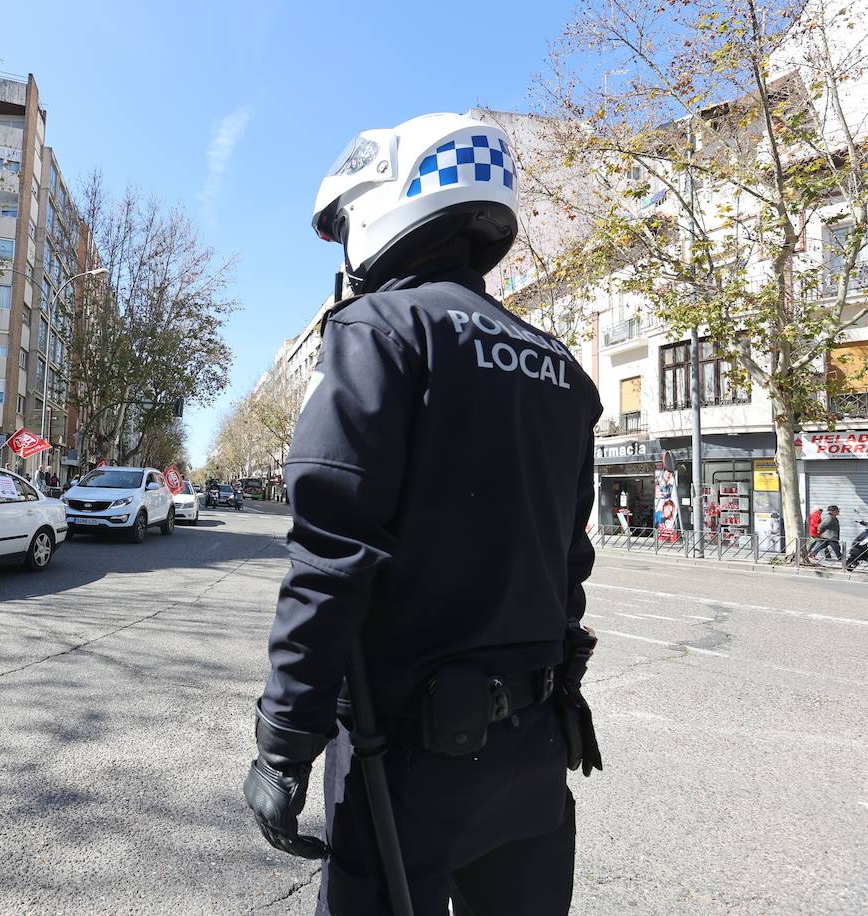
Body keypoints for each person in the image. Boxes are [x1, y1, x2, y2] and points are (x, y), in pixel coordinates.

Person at [242, 112, 603, 915]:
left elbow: (332, 558)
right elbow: (569, 565)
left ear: (389, 199)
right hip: (534, 748)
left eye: (345, 227)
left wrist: (283, 743)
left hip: (405, 761)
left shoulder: (380, 330)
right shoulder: (563, 370)